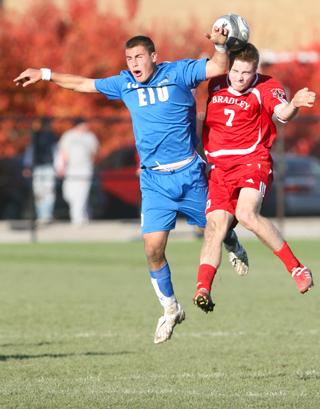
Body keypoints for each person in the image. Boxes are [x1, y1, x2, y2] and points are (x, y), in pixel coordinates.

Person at [14, 28, 249, 344]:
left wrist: (220, 44)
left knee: (218, 227)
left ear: (154, 56)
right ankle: (171, 308)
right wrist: (44, 73)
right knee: (153, 249)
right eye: (129, 58)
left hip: (189, 174)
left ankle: (232, 243)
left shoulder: (179, 72)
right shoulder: (124, 83)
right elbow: (83, 84)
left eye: (139, 57)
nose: (134, 63)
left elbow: (219, 67)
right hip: (154, 181)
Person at [193, 43, 316, 313]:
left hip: (252, 161)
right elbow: (194, 81)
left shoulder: (267, 87)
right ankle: (203, 288)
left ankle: (296, 268)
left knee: (246, 213)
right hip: (218, 169)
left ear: (255, 71)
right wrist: (217, 42)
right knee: (214, 228)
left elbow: (282, 114)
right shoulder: (215, 81)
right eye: (236, 70)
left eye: (246, 73)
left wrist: (294, 103)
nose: (239, 77)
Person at [55, 118, 99, 226]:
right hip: (71, 168)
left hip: (85, 168)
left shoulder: (90, 137)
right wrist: (61, 167)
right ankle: (85, 214)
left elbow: (94, 153)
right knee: (69, 194)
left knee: (81, 193)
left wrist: (91, 166)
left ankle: (77, 219)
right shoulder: (68, 136)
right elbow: (62, 152)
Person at [23, 117, 58, 224]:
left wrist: (57, 166)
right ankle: (41, 215)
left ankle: (46, 215)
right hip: (38, 167)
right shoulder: (36, 136)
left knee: (48, 191)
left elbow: (56, 152)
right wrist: (27, 166)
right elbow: (31, 150)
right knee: (39, 191)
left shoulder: (53, 137)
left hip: (48, 167)